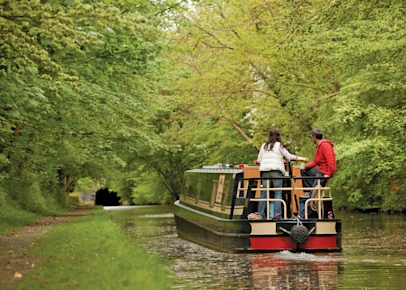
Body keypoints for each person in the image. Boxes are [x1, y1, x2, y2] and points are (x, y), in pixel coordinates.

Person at [256, 128, 308, 220]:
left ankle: (260, 214)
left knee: (264, 192)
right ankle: (277, 215)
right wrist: (302, 158)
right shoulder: (279, 145)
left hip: (264, 172)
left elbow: (259, 160)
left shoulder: (264, 146)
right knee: (278, 192)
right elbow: (289, 156)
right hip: (276, 171)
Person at [300, 128, 336, 194]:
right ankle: (309, 191)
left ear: (314, 137)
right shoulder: (318, 146)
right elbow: (315, 162)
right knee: (303, 171)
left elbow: (331, 160)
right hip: (319, 170)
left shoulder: (325, 145)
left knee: (314, 193)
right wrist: (305, 166)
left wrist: (328, 174)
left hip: (324, 172)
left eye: (312, 137)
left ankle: (312, 195)